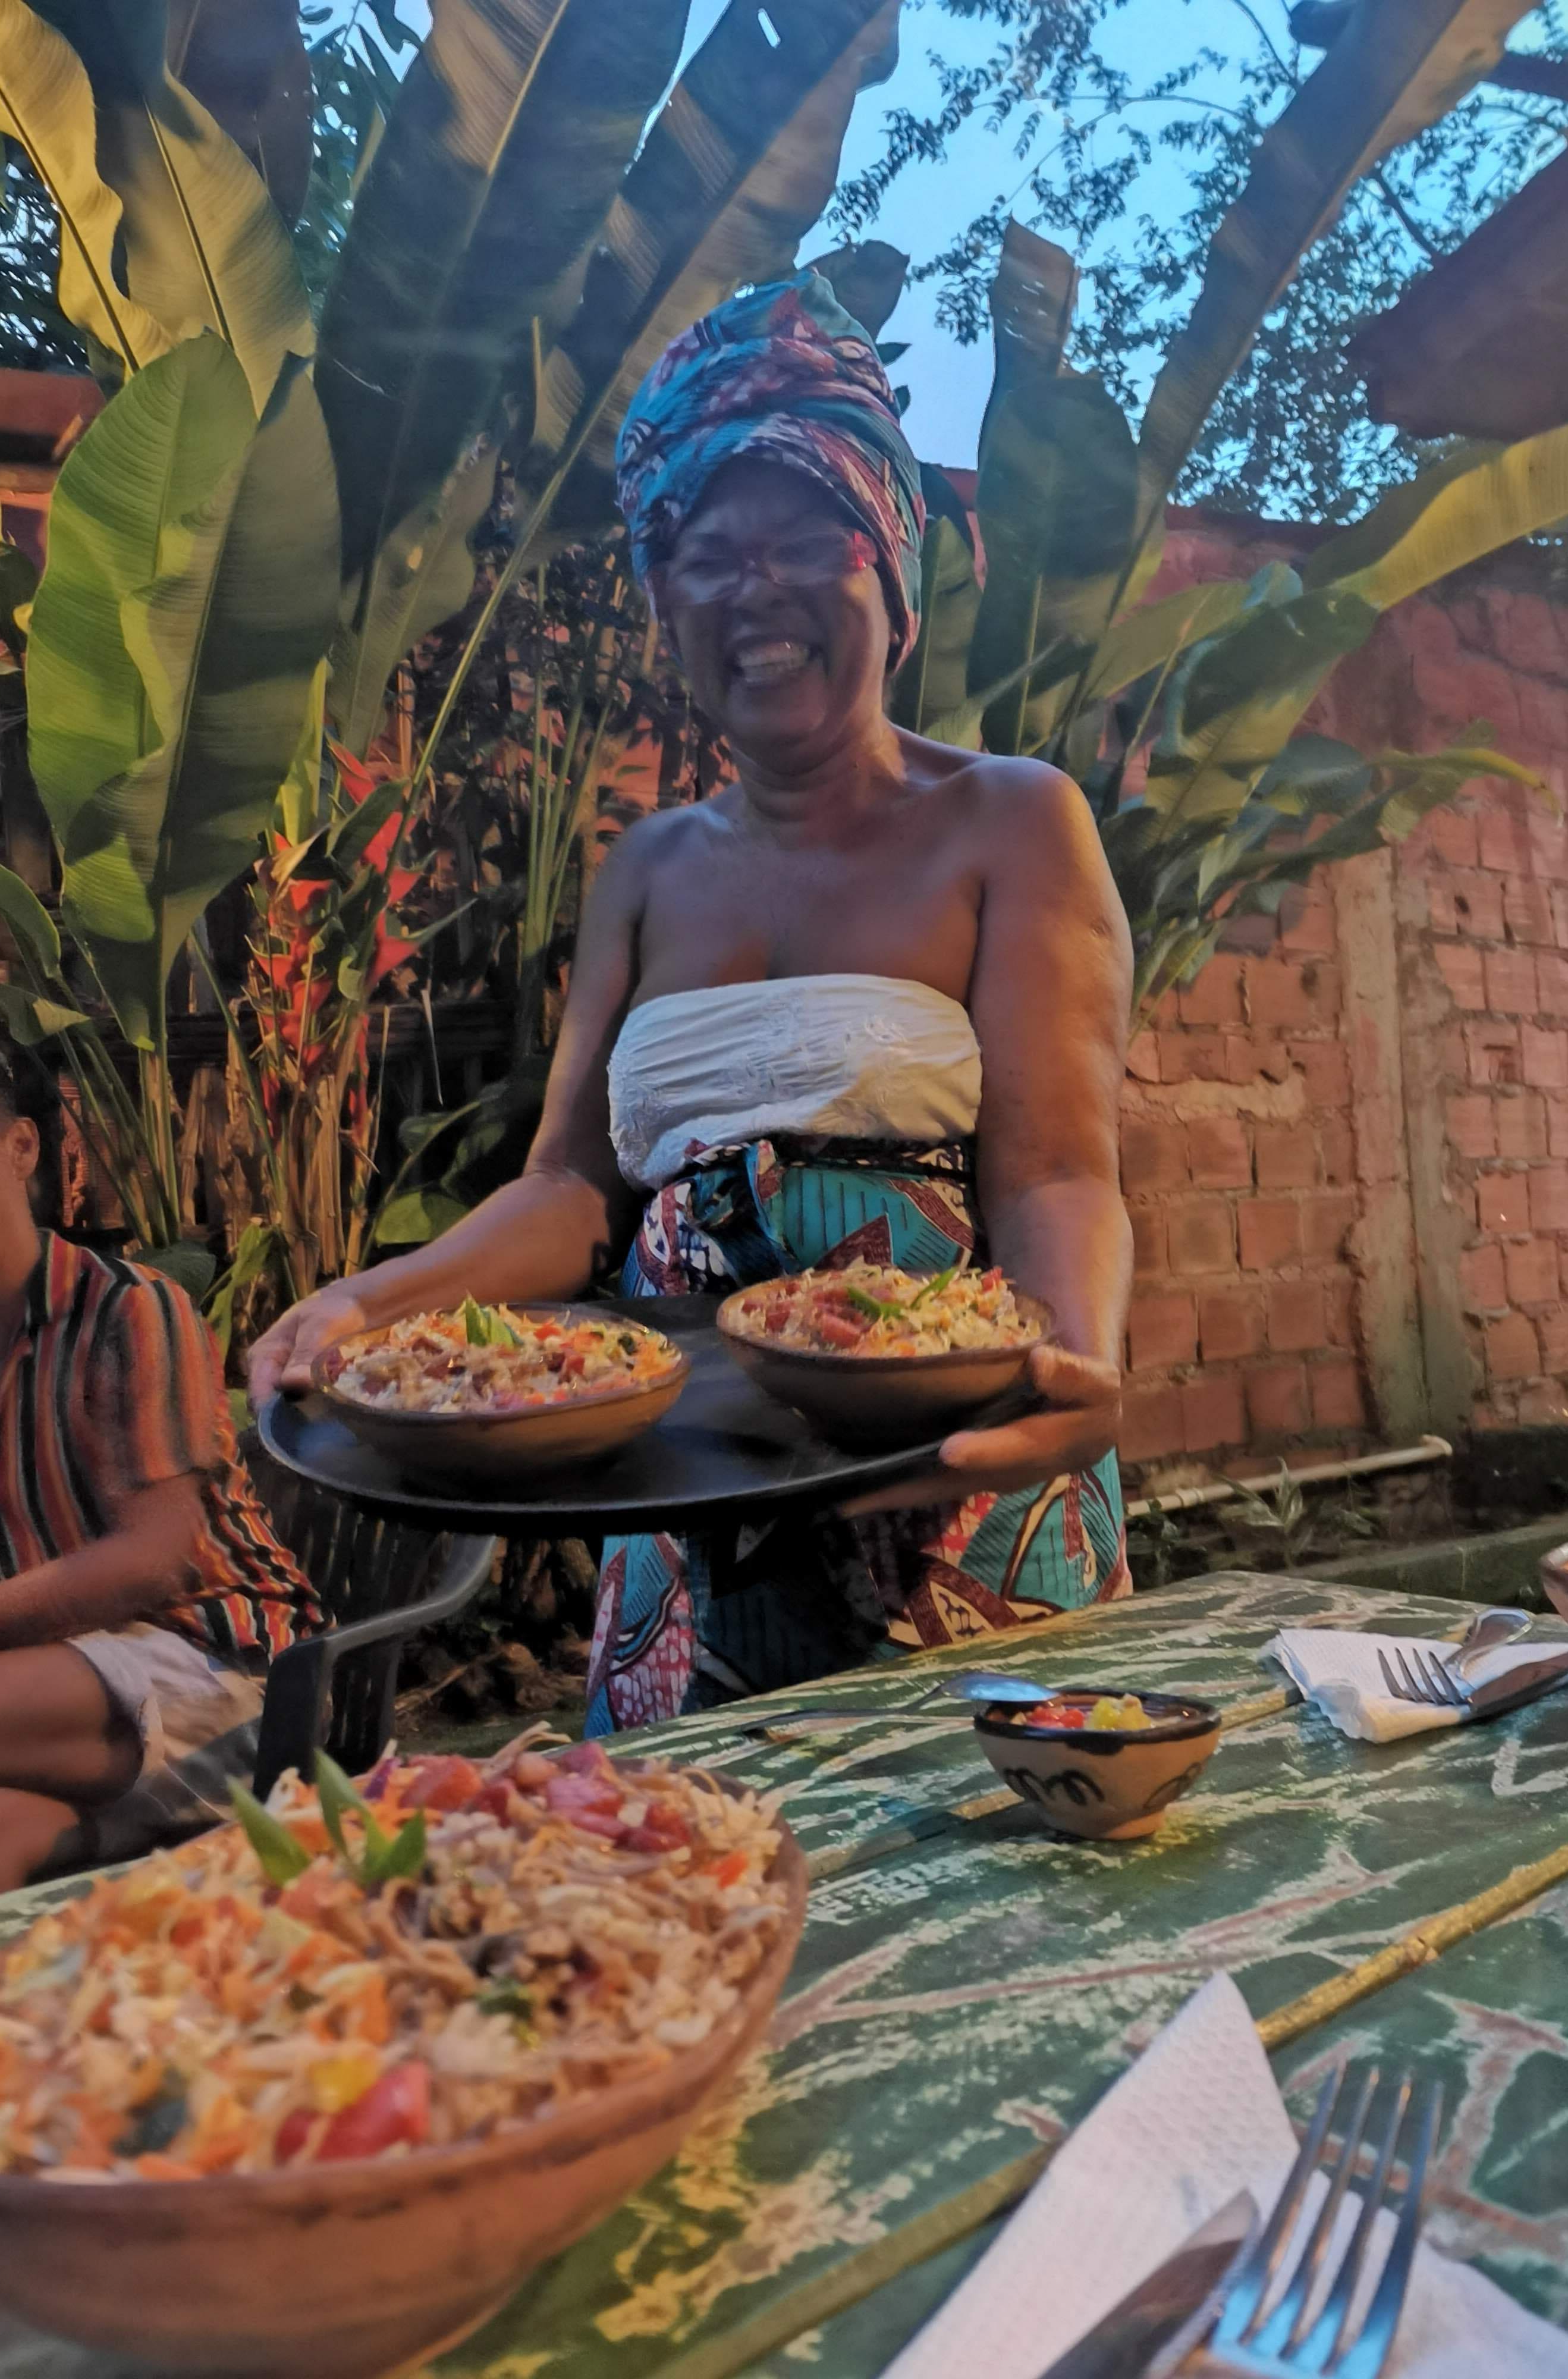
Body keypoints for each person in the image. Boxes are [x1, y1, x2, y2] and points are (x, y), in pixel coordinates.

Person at [251, 271, 1132, 1732]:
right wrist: (366, 1297)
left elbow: (1055, 1167)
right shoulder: (645, 869)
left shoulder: (1010, 822)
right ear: (667, 600)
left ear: (891, 571)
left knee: (979, 1911)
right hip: (684, 1495)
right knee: (692, 1896)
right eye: (709, 555)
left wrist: (1075, 1363)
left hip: (949, 1470)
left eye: (807, 539)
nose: (756, 591)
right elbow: (571, 1191)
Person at [0, 1030, 324, 1915]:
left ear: (21, 1148)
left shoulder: (130, 1310)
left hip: (228, 1672)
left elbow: (150, 1564)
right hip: (56, 1694)